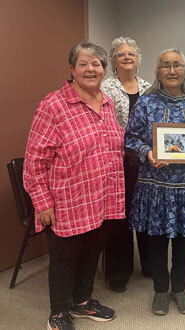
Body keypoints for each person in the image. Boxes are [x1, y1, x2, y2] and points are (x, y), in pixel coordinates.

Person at [23, 41, 125, 330]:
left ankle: (81, 302)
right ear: (72, 69)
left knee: (92, 252)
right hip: (68, 200)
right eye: (84, 64)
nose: (90, 69)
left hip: (102, 197)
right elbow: (34, 160)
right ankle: (58, 312)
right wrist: (42, 203)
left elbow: (112, 144)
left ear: (104, 70)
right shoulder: (53, 105)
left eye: (97, 64)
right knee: (64, 258)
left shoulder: (106, 101)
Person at [124, 48, 185, 316]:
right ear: (157, 72)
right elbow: (130, 138)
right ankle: (160, 290)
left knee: (183, 241)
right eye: (165, 66)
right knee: (156, 240)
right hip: (155, 186)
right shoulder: (146, 103)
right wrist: (148, 153)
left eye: (177, 65)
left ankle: (179, 289)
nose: (172, 70)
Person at [101, 37, 151, 292]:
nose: (127, 57)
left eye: (131, 54)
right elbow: (105, 124)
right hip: (118, 162)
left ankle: (151, 264)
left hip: (146, 163)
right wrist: (130, 147)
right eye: (121, 54)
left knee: (145, 211)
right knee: (119, 216)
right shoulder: (106, 88)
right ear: (113, 61)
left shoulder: (149, 87)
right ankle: (118, 272)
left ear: (138, 58)